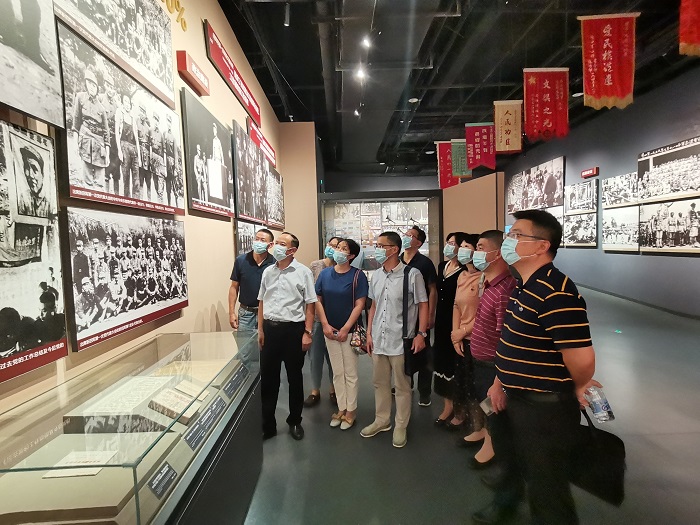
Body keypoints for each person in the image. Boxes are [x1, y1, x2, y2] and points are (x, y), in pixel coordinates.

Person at [474, 210, 596, 525]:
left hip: (544, 408)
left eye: (517, 235)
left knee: (547, 484)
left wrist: (579, 384)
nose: (509, 241)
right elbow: (511, 341)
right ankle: (505, 505)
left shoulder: (557, 292)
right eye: (509, 234)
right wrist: (499, 383)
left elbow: (581, 358)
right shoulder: (524, 285)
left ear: (542, 246)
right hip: (512, 398)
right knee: (511, 462)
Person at [361, 231, 428, 448]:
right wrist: (369, 333)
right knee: (379, 383)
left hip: (401, 340)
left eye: (381, 246)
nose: (377, 249)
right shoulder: (376, 276)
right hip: (379, 340)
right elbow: (373, 306)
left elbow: (423, 304)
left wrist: (421, 333)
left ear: (394, 249)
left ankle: (401, 425)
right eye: (377, 245)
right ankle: (382, 420)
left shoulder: (412, 274)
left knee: (402, 386)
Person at [465, 230, 517, 476]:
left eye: (481, 248)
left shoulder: (505, 289)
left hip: (494, 365)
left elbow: (507, 338)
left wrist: (499, 377)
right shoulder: (489, 284)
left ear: (498, 254)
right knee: (484, 405)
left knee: (494, 409)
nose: (475, 253)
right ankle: (487, 436)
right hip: (481, 360)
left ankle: (495, 448)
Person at [257, 232, 317, 441]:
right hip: (270, 330)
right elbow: (262, 301)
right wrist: (261, 329)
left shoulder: (303, 272)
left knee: (294, 378)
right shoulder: (268, 272)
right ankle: (268, 425)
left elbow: (310, 304)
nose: (276, 246)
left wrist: (307, 333)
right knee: (268, 380)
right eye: (276, 243)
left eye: (282, 244)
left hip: (293, 331)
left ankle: (295, 421)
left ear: (292, 250)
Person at [315, 238, 368, 430]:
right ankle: (341, 408)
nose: (338, 250)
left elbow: (360, 305)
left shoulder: (358, 276)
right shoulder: (325, 274)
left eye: (344, 248)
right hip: (329, 330)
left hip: (350, 331)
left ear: (351, 255)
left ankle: (351, 410)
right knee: (337, 372)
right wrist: (325, 325)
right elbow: (317, 299)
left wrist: (346, 328)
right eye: (338, 247)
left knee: (350, 373)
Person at [450, 234, 484, 444]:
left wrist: (463, 332)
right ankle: (465, 418)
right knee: (462, 382)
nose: (462, 250)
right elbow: (456, 305)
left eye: (467, 247)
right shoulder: (462, 276)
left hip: (476, 338)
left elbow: (484, 313)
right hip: (460, 338)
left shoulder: (483, 278)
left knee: (476, 385)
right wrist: (456, 335)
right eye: (460, 246)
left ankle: (480, 427)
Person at [400, 225, 437, 406]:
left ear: (419, 242)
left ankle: (424, 392)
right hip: (402, 316)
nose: (406, 237)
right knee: (402, 352)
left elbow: (432, 290)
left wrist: (430, 315)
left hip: (420, 315)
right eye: (406, 234)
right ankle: (405, 384)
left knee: (422, 353)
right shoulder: (397, 260)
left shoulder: (425, 263)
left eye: (411, 235)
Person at [433, 232, 468, 427]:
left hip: (457, 322)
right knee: (441, 362)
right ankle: (447, 405)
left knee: (456, 365)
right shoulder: (442, 266)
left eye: (453, 243)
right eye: (448, 242)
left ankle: (460, 409)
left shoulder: (465, 270)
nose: (449, 246)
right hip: (441, 320)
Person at [303, 236, 341, 408]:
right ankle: (315, 390)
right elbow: (309, 294)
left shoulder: (342, 268)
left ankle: (333, 390)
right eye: (331, 245)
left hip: (335, 319)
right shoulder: (315, 266)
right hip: (317, 319)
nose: (333, 249)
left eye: (337, 247)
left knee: (333, 357)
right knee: (315, 357)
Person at [229, 228, 275, 331]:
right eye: (256, 239)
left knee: (266, 341)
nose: (258, 242)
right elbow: (234, 287)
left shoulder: (274, 263)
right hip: (246, 313)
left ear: (270, 245)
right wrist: (231, 313)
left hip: (267, 313)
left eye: (262, 240)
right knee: (244, 341)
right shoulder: (241, 260)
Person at [71, 68, 109, 190]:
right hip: (86, 141)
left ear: (97, 88)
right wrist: (75, 144)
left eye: (94, 85)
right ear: (86, 84)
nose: (91, 87)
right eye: (89, 83)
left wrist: (107, 153)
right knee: (86, 182)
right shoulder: (80, 98)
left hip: (99, 145)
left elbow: (106, 132)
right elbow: (76, 123)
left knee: (99, 184)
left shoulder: (101, 108)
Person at [115, 91, 141, 198]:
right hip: (124, 147)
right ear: (122, 102)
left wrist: (139, 156)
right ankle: (127, 199)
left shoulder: (132, 117)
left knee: (136, 179)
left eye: (129, 102)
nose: (127, 104)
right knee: (126, 178)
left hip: (134, 149)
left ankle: (137, 201)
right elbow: (117, 133)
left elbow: (137, 138)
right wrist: (119, 151)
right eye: (125, 101)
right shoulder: (119, 113)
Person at [17, 145, 51, 218]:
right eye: (27, 168)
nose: (30, 175)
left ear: (42, 174)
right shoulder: (24, 199)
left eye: (34, 169)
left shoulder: (49, 204)